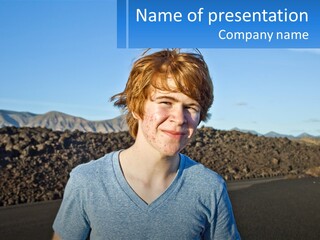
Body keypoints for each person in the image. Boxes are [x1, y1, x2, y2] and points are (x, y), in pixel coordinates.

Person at [52, 49, 240, 239]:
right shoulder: (87, 182)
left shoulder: (209, 188)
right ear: (136, 107)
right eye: (166, 102)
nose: (179, 118)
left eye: (190, 107)